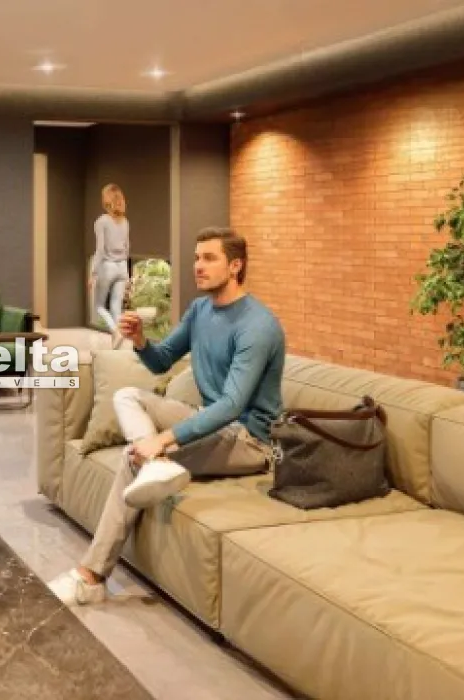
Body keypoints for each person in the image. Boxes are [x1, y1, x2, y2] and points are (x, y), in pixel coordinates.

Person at [49, 227, 286, 606]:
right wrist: (141, 341)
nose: (198, 266)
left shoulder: (257, 326)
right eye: (196, 258)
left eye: (209, 258)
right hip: (211, 421)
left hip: (249, 440)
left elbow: (232, 405)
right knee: (128, 396)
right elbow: (161, 362)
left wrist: (162, 440)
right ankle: (156, 465)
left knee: (133, 458)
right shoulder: (201, 310)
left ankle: (90, 577)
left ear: (235, 266)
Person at [90, 184, 130, 337]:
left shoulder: (101, 221)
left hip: (108, 267)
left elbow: (100, 250)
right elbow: (127, 247)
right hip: (122, 267)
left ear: (106, 201)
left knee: (99, 306)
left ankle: (115, 332)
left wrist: (93, 273)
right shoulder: (125, 222)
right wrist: (126, 274)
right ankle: (118, 337)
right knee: (116, 307)